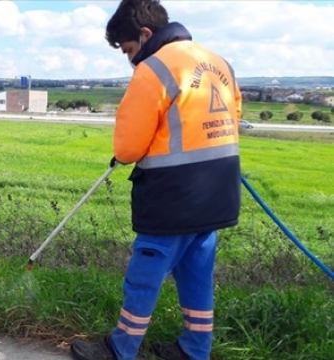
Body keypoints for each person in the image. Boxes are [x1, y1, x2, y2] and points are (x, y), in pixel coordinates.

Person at [70, 0, 242, 360]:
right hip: (219, 192)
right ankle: (195, 350)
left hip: (173, 197)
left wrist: (131, 149)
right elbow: (232, 116)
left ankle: (120, 349)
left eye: (129, 49)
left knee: (143, 277)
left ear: (146, 35)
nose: (130, 59)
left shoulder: (154, 69)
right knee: (197, 276)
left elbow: (129, 148)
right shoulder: (218, 62)